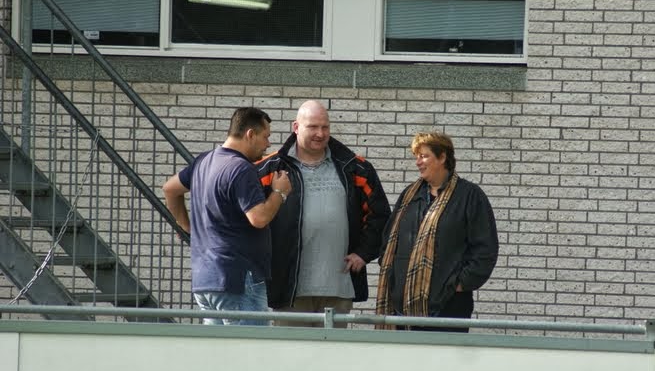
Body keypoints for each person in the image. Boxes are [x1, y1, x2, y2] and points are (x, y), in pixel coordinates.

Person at [256, 100, 390, 328]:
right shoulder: (270, 169)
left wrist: (363, 253)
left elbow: (381, 216)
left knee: (334, 351)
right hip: (289, 289)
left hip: (338, 287)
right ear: (296, 127)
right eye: (313, 127)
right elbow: (253, 218)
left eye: (325, 127)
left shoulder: (355, 168)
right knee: (290, 350)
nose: (320, 133)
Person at [162, 107, 292, 325]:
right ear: (250, 134)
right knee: (248, 345)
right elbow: (259, 218)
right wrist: (279, 192)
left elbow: (170, 189)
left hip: (205, 280)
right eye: (265, 136)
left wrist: (188, 227)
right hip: (238, 280)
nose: (268, 144)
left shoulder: (204, 161)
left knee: (218, 346)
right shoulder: (241, 168)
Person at [375, 131, 498, 332]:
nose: (418, 162)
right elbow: (388, 239)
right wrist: (393, 276)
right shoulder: (409, 196)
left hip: (448, 308)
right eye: (417, 156)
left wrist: (459, 284)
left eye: (424, 156)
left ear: (442, 157)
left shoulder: (469, 196)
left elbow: (486, 249)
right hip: (401, 310)